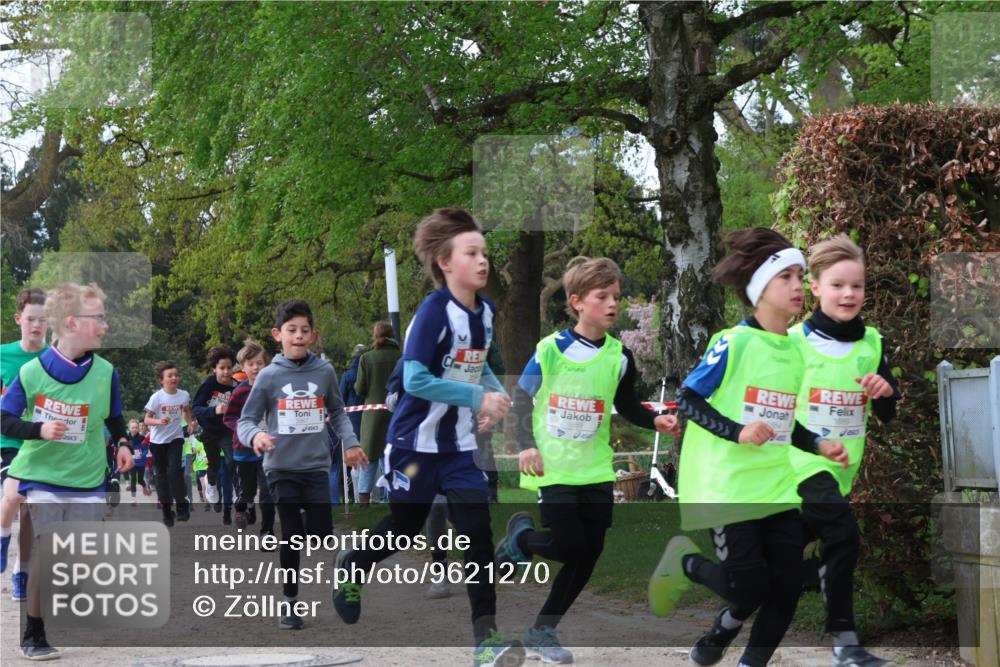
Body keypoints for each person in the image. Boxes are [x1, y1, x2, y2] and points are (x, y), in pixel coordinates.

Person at [330, 207, 522, 667]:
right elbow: (414, 380)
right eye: (471, 253)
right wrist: (477, 400)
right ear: (444, 262)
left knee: (476, 534)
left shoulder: (487, 312)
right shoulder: (434, 313)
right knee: (404, 529)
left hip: (458, 450)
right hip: (414, 447)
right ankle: (354, 564)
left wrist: (497, 399)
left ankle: (486, 642)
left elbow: (481, 369)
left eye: (485, 253)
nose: (483, 261)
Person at [648, 228, 848, 667]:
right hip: (729, 487)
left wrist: (817, 443)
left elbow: (781, 423)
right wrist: (737, 430)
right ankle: (687, 564)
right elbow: (687, 398)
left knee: (788, 584)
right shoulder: (732, 342)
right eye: (787, 278)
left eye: (801, 276)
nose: (799, 287)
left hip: (775, 487)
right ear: (759, 288)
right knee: (748, 588)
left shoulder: (795, 352)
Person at [494, 257, 680, 662]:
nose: (613, 303)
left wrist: (656, 420)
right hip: (554, 466)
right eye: (603, 296)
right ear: (578, 302)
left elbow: (627, 405)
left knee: (589, 553)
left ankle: (543, 629)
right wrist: (525, 444)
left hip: (595, 468)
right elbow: (521, 398)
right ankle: (521, 540)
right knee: (566, 545)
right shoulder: (551, 350)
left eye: (616, 295)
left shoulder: (620, 357)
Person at [0, 282, 133, 660]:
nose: (105, 326)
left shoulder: (107, 372)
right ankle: (33, 633)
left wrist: (124, 444)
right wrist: (38, 430)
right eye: (99, 319)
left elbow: (117, 417)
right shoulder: (31, 372)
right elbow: (4, 419)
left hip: (87, 475)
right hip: (41, 472)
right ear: (72, 322)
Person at [789, 234, 900, 667]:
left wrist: (885, 390)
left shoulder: (872, 342)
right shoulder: (791, 341)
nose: (849, 294)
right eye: (837, 285)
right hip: (796, 464)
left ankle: (693, 570)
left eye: (857, 285)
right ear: (814, 287)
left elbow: (887, 412)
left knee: (762, 573)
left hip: (841, 471)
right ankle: (846, 644)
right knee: (843, 536)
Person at [237, 299, 365, 629]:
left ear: (313, 335)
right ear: (277, 334)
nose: (298, 336)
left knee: (321, 533)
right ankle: (291, 603)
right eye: (291, 330)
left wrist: (350, 443)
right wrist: (256, 438)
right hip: (279, 467)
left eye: (304, 331)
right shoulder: (267, 376)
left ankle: (342, 561)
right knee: (292, 535)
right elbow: (246, 419)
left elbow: (337, 412)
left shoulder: (324, 371)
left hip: (315, 466)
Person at [0, 287, 48, 600]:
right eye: (30, 319)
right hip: (8, 438)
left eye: (42, 320)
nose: (36, 325)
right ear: (19, 319)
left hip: (42, 442)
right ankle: (3, 535)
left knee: (32, 507)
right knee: (15, 495)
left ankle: (22, 570)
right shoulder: (3, 355)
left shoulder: (56, 356)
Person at [223, 339, 277, 543]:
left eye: (259, 363)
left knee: (267, 491)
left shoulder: (273, 389)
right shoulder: (240, 392)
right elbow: (229, 418)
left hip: (268, 449)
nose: (255, 367)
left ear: (266, 365)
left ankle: (267, 532)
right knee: (246, 491)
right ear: (243, 367)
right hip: (244, 450)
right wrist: (245, 430)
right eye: (250, 364)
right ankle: (244, 507)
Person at [354, 321, 401, 506]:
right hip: (397, 412)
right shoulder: (401, 356)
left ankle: (364, 496)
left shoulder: (366, 358)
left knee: (369, 455)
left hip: (373, 414)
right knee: (392, 456)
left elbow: (360, 388)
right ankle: (393, 495)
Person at [143, 361, 194, 526]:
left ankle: (182, 507)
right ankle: (166, 512)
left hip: (175, 438)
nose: (174, 378)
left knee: (174, 472)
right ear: (161, 380)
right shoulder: (157, 397)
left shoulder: (184, 395)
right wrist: (158, 420)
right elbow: (146, 419)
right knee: (161, 478)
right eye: (170, 376)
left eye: (176, 375)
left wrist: (191, 423)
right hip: (158, 443)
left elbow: (186, 410)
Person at [192, 345, 237, 522]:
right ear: (214, 369)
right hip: (210, 430)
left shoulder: (237, 387)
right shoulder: (209, 384)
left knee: (233, 460)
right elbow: (196, 408)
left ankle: (235, 490)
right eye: (221, 368)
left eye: (229, 368)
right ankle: (210, 484)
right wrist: (214, 410)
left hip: (227, 430)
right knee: (214, 464)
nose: (226, 372)